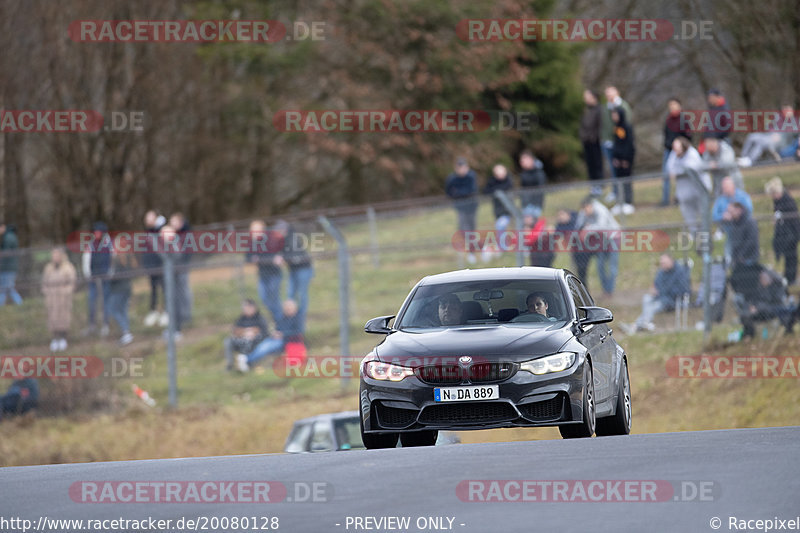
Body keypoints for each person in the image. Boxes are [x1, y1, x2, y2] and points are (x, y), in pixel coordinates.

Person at [623, 254, 691, 333]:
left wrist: (662, 291)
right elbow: (656, 284)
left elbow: (684, 290)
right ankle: (644, 323)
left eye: (664, 263)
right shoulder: (662, 271)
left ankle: (635, 325)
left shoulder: (680, 272)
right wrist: (654, 289)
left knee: (652, 307)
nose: (662, 265)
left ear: (671, 261)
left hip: (671, 300)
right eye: (661, 263)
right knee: (647, 298)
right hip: (660, 296)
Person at [237, 299, 304, 372]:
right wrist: (275, 333)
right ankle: (247, 359)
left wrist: (283, 334)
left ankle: (247, 359)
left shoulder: (298, 318)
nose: (288, 310)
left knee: (266, 348)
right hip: (277, 338)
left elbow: (298, 331)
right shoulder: (282, 317)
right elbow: (278, 328)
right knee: (262, 346)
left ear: (294, 308)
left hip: (288, 341)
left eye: (290, 309)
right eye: (286, 309)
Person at [734, 266, 795, 338]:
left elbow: (778, 302)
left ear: (770, 277)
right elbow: (753, 299)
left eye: (764, 277)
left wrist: (758, 307)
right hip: (760, 310)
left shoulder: (776, 287)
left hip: (773, 310)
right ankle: (748, 335)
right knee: (745, 315)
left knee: (785, 313)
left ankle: (788, 332)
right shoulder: (759, 288)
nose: (761, 279)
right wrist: (751, 306)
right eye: (761, 277)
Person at [576, 196, 620, 296]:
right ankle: (605, 290)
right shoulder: (583, 212)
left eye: (586, 209)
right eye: (583, 210)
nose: (585, 212)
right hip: (602, 240)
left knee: (612, 267)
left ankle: (610, 290)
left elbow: (602, 226)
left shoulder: (600, 210)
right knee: (600, 266)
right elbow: (579, 225)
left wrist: (587, 229)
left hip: (613, 237)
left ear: (590, 206)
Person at [666, 137, 710, 235]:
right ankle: (693, 232)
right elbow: (670, 168)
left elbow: (691, 168)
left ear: (683, 146)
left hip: (698, 188)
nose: (676, 151)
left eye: (678, 148)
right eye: (674, 148)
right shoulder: (674, 154)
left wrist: (679, 171)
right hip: (684, 190)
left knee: (701, 211)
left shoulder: (692, 153)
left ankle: (705, 231)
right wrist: (679, 171)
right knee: (687, 212)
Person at [246, 219, 285, 329]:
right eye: (253, 231)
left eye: (256, 230)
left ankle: (280, 324)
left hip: (274, 274)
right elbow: (249, 257)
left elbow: (273, 255)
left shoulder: (270, 239)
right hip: (262, 275)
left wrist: (261, 258)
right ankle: (276, 320)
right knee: (264, 299)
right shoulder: (252, 242)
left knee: (274, 300)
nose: (254, 233)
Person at [278, 220, 314, 334]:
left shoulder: (293, 239)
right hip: (293, 270)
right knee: (290, 295)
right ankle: (290, 318)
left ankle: (301, 318)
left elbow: (295, 255)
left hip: (304, 269)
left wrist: (283, 257)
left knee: (302, 295)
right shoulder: (281, 241)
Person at [601, 86, 633, 202]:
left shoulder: (623, 107)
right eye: (607, 93)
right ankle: (616, 194)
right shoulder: (606, 108)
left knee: (624, 176)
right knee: (613, 171)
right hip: (609, 144)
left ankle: (626, 199)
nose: (608, 95)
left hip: (621, 148)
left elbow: (627, 137)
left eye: (611, 93)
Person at [765, 176, 800, 285]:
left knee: (791, 256)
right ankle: (787, 277)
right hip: (783, 234)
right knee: (787, 256)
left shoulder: (787, 200)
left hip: (792, 234)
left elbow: (792, 218)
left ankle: (791, 278)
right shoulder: (778, 201)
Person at [41, 247, 77, 352]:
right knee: (52, 318)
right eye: (53, 255)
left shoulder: (68, 267)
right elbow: (44, 282)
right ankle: (55, 338)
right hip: (52, 298)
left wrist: (65, 291)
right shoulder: (48, 268)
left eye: (57, 255)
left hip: (63, 298)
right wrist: (47, 292)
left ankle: (63, 338)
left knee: (64, 317)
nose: (55, 257)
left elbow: (72, 283)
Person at [445, 158, 479, 264]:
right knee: (463, 230)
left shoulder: (471, 176)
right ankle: (469, 251)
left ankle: (473, 252)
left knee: (472, 230)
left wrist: (458, 192)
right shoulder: (452, 178)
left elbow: (471, 190)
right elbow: (449, 192)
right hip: (460, 207)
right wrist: (459, 194)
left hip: (472, 207)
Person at [81, 221, 112, 335]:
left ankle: (105, 324)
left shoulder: (109, 244)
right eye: (95, 232)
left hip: (105, 277)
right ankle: (92, 325)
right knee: (92, 301)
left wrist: (110, 273)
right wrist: (88, 274)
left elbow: (113, 259)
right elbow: (86, 260)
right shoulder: (90, 245)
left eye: (99, 232)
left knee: (105, 301)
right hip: (93, 278)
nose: (97, 234)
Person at [661, 98, 692, 206]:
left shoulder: (684, 119)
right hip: (669, 151)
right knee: (666, 175)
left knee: (683, 176)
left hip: (681, 153)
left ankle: (681, 197)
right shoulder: (668, 120)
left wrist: (681, 147)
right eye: (671, 106)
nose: (672, 108)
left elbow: (688, 136)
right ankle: (665, 200)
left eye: (674, 105)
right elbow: (666, 134)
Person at [224, 298, 269, 371]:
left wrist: (252, 332)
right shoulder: (242, 318)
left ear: (253, 307)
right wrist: (246, 331)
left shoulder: (260, 318)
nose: (245, 309)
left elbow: (263, 332)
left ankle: (246, 363)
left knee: (248, 341)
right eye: (244, 307)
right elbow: (235, 330)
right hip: (241, 338)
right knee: (228, 341)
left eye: (248, 307)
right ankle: (230, 364)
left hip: (255, 341)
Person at [482, 164, 515, 260]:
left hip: (508, 211)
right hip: (498, 211)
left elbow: (506, 187)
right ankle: (502, 247)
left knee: (501, 226)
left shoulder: (508, 180)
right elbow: (486, 190)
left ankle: (504, 247)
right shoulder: (492, 181)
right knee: (500, 227)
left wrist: (496, 190)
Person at [168, 212, 193, 334]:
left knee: (183, 291)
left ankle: (185, 315)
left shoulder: (185, 234)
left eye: (174, 222)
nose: (172, 224)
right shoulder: (172, 235)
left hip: (182, 268)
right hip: (172, 270)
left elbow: (183, 253)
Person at [142, 210, 167, 328]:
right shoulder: (148, 232)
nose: (147, 220)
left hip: (162, 266)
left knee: (165, 289)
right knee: (154, 290)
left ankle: (167, 312)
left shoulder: (163, 229)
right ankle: (154, 312)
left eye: (149, 217)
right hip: (151, 267)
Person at [610, 107, 635, 215]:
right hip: (618, 160)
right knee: (618, 181)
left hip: (626, 160)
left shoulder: (627, 127)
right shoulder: (616, 128)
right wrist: (615, 158)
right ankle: (620, 202)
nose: (613, 117)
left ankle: (628, 202)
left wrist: (626, 159)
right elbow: (616, 144)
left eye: (615, 114)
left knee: (626, 181)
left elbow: (629, 144)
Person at [108, 251, 137, 346]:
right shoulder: (129, 258)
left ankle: (126, 332)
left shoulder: (117, 261)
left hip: (118, 290)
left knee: (114, 310)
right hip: (127, 288)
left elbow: (114, 277)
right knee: (123, 310)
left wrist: (109, 278)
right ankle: (126, 333)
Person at [579, 89, 603, 196]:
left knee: (597, 164)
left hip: (595, 142)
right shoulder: (587, 110)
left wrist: (594, 137)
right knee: (590, 165)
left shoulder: (599, 110)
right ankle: (593, 186)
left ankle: (600, 186)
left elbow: (600, 127)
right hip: (587, 142)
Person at [555, 208, 589, 282]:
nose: (560, 217)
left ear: (567, 214)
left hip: (585, 248)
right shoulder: (560, 225)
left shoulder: (577, 219)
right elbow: (557, 236)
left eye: (562, 215)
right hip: (575, 249)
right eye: (559, 216)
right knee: (577, 269)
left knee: (583, 269)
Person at [0, 222, 22, 306]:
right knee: (6, 288)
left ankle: (19, 303)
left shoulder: (8, 237)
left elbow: (5, 253)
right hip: (8, 267)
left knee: (7, 288)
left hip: (8, 268)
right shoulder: (9, 236)